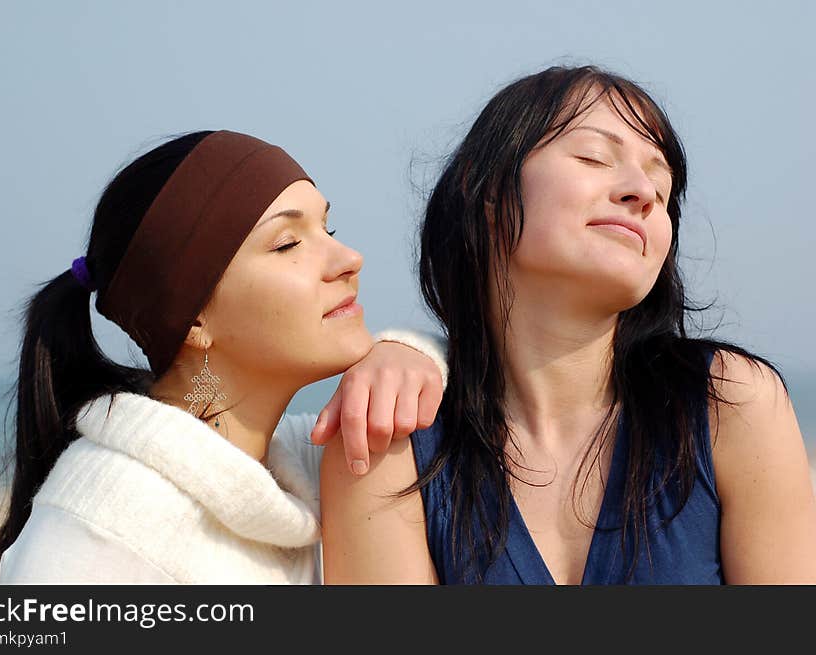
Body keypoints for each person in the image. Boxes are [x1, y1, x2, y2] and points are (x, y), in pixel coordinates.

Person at [320, 66, 816, 584]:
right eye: (594, 157)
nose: (642, 192)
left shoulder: (728, 404)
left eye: (663, 188)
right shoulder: (387, 434)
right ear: (486, 189)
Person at [0, 130, 447, 584]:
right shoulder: (100, 531)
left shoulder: (305, 461)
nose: (349, 258)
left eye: (328, 227)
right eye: (287, 244)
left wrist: (405, 351)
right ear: (193, 317)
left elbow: (488, 370)